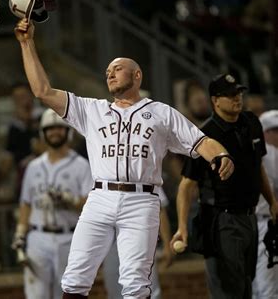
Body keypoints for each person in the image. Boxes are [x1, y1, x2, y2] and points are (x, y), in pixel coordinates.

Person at [14, 17, 234, 299]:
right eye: (108, 71)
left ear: (137, 75)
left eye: (118, 68)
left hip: (141, 200)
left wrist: (221, 154)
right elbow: (42, 91)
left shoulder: (160, 112)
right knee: (74, 279)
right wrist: (27, 43)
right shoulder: (91, 110)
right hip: (100, 197)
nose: (111, 73)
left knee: (135, 284)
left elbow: (201, 140)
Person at [171, 74, 278, 299]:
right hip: (221, 219)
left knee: (246, 287)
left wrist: (272, 202)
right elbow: (186, 185)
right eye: (229, 95)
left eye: (238, 93)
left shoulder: (251, 122)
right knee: (227, 291)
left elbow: (257, 167)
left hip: (249, 217)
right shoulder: (205, 135)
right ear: (215, 101)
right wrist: (182, 227)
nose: (237, 98)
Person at [12, 108, 93, 299]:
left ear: (68, 132)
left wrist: (70, 200)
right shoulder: (33, 167)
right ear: (43, 133)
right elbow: (26, 204)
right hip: (38, 237)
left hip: (70, 237)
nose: (54, 132)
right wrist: (20, 235)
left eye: (59, 128)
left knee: (66, 293)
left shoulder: (82, 165)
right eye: (50, 129)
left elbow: (92, 205)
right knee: (36, 295)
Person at [102, 186, 172, 299]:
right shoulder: (101, 174)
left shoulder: (146, 171)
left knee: (147, 290)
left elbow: (160, 210)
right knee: (114, 292)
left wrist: (167, 245)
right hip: (112, 243)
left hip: (140, 239)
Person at [253, 110, 278, 299]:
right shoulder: (270, 153)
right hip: (256, 223)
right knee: (262, 288)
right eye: (274, 131)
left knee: (265, 288)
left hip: (264, 223)